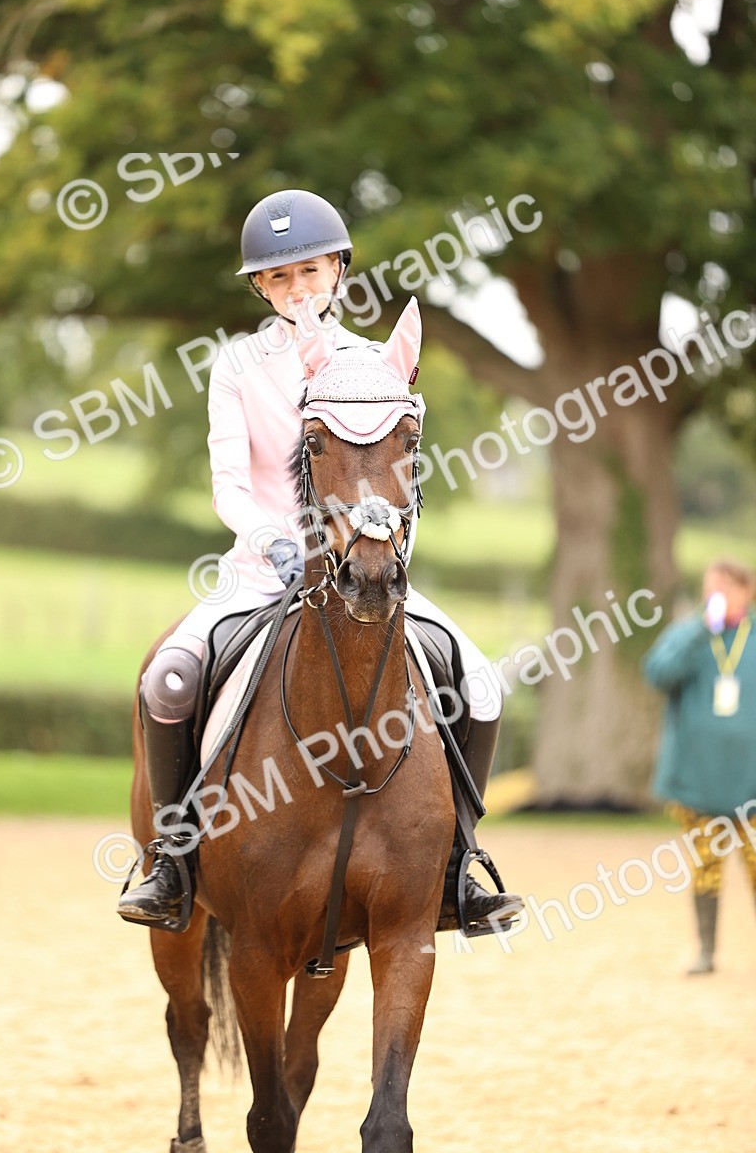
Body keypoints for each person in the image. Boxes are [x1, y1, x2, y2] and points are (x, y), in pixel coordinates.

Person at [118, 188, 517, 933]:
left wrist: (387, 549)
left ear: (338, 268)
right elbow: (230, 486)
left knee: (483, 684)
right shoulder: (237, 366)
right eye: (278, 279)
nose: (296, 290)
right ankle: (171, 862)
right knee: (169, 678)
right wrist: (275, 540)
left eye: (309, 271)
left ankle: (459, 867)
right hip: (258, 571)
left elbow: (403, 484)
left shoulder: (377, 363)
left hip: (366, 573)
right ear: (260, 287)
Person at [643, 559, 756, 973]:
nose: (717, 596)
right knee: (706, 868)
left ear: (747, 591)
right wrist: (698, 631)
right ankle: (707, 952)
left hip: (751, 784)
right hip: (700, 783)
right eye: (712, 588)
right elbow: (657, 674)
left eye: (726, 588)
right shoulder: (688, 635)